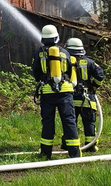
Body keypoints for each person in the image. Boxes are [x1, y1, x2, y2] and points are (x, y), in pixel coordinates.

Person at [32, 24, 80, 159]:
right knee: (69, 121)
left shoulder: (39, 53)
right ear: (57, 37)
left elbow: (36, 73)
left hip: (47, 93)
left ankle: (45, 153)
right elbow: (70, 71)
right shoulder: (65, 52)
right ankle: (74, 154)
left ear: (43, 38)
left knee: (48, 121)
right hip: (65, 92)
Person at [65, 37, 104, 153]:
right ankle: (90, 146)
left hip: (70, 99)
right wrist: (94, 87)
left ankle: (68, 144)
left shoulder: (65, 62)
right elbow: (100, 76)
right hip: (87, 98)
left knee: (70, 122)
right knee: (89, 123)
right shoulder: (90, 62)